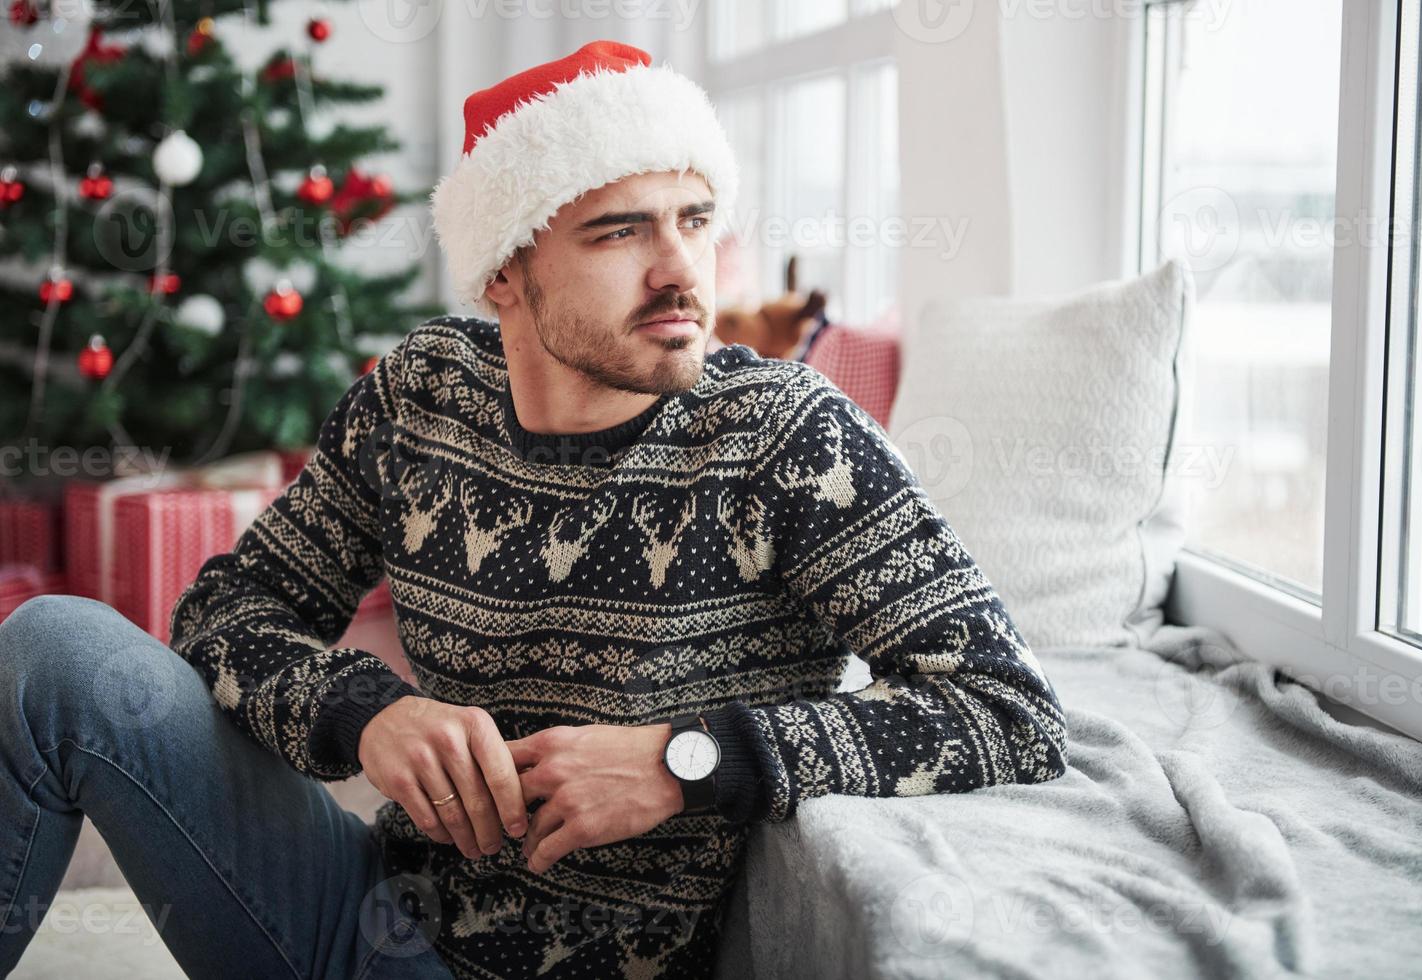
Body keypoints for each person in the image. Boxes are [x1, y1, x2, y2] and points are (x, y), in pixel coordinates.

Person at [0, 40, 1068, 979]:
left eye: (694, 220)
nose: (679, 269)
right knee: (54, 647)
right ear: (505, 269)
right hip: (356, 910)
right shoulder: (422, 393)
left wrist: (683, 759)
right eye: (618, 233)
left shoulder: (785, 433)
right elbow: (229, 612)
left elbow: (1004, 705)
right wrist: (365, 710)